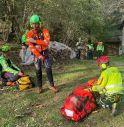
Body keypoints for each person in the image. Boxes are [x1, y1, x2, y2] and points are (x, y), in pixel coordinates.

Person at [26, 15, 58, 93]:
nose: (35, 26)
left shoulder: (45, 31)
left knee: (48, 68)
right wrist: (38, 55)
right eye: (33, 24)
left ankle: (52, 85)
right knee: (38, 69)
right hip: (36, 54)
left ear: (39, 23)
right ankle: (39, 87)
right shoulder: (29, 33)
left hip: (45, 52)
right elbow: (31, 46)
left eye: (36, 24)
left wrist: (35, 41)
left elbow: (47, 42)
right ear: (31, 24)